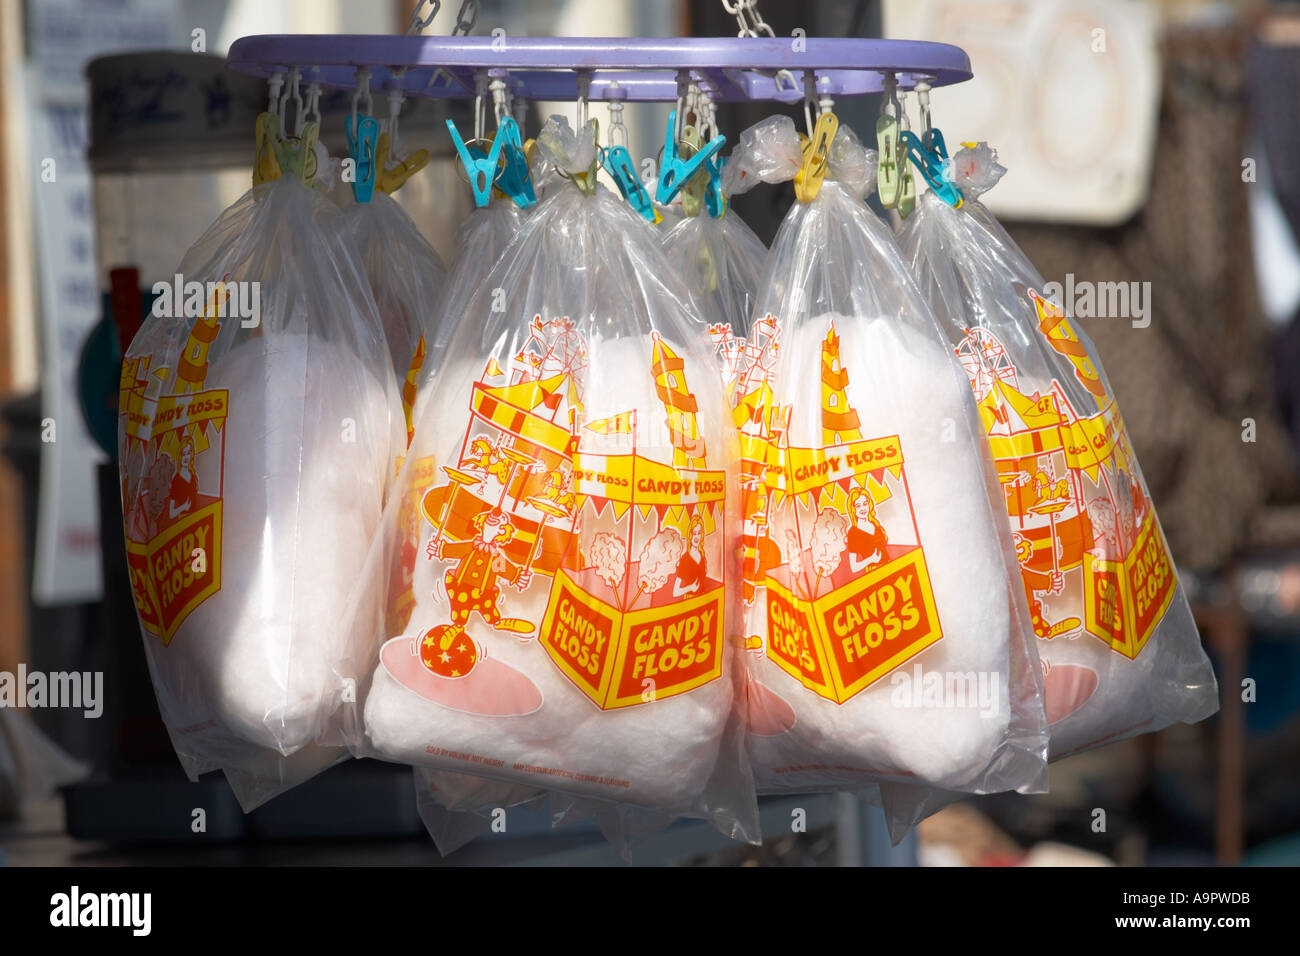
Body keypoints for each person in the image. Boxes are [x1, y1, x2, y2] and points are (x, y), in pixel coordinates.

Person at [844, 488, 887, 574]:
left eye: (865, 504)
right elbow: (854, 567)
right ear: (853, 509)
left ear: (869, 505)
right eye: (858, 506)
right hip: (874, 572)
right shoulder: (853, 533)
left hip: (888, 565)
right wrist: (871, 559)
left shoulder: (875, 524)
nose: (863, 508)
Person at [673, 514, 708, 597]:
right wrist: (690, 588)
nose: (696, 537)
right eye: (694, 533)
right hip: (690, 601)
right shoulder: (685, 558)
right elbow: (675, 592)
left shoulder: (702, 555)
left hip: (702, 600)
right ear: (690, 535)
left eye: (699, 533)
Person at [167, 439, 198, 521]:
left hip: (195, 520)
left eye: (188, 453)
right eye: (183, 454)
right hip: (183, 522)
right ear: (180, 456)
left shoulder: (193, 476)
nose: (186, 457)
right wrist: (184, 507)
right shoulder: (176, 479)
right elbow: (171, 514)